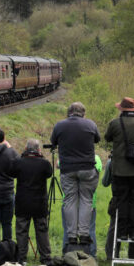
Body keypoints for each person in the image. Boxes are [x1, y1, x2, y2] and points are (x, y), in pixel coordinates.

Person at [104, 97, 134, 254]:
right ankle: (133, 233)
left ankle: (122, 232)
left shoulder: (115, 123)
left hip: (120, 171)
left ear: (122, 110)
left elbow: (107, 138)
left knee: (121, 201)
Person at [50, 102, 100, 249]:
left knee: (70, 200)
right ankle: (84, 234)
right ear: (83, 113)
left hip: (68, 169)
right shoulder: (90, 124)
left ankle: (71, 235)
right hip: (87, 168)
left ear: (68, 112)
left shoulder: (59, 125)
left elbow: (53, 142)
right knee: (86, 199)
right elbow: (97, 139)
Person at [11, 139, 53, 264]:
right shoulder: (44, 163)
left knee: (22, 231)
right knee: (42, 231)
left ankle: (22, 258)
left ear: (25, 149)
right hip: (39, 203)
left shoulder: (19, 162)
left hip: (23, 202)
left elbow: (11, 172)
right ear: (38, 149)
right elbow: (49, 173)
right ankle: (45, 257)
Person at [63, 154, 102, 257]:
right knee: (90, 229)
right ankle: (91, 254)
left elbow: (59, 164)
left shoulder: (68, 156)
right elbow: (98, 170)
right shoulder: (96, 158)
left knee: (69, 229)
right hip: (89, 204)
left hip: (69, 204)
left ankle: (67, 254)